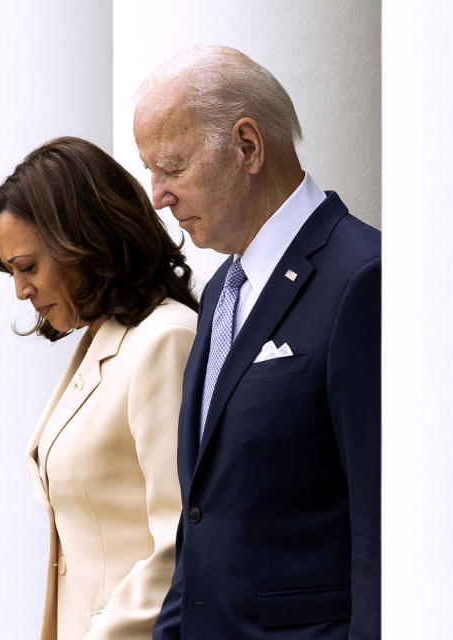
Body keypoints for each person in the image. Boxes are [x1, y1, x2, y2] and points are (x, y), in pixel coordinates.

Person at [133, 46, 382, 639]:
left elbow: (380, 522)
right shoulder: (221, 288)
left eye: (171, 167)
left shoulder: (361, 276)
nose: (157, 196)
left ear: (247, 147)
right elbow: (200, 521)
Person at [0, 136, 198, 640]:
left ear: (84, 241)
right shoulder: (105, 339)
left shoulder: (164, 340)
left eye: (28, 267)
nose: (21, 291)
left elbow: (180, 540)